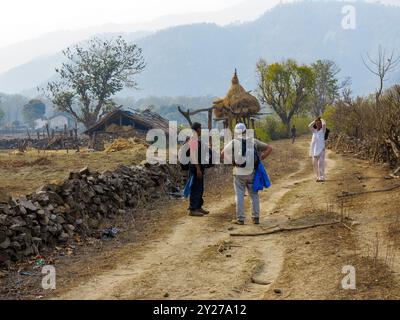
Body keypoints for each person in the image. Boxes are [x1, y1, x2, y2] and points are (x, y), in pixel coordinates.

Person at [221, 123, 273, 225]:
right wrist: (260, 159)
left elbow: (223, 153)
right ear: (245, 131)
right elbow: (270, 148)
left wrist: (232, 162)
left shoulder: (234, 142)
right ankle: (256, 217)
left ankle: (240, 219)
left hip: (238, 173)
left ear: (236, 132)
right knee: (254, 195)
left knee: (239, 195)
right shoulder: (253, 141)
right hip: (252, 172)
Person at [187, 122, 209, 217]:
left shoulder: (196, 139)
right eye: (200, 128)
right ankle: (192, 209)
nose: (201, 130)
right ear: (197, 129)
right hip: (195, 167)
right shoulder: (193, 140)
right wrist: (198, 168)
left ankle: (198, 206)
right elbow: (193, 155)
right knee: (195, 188)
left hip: (199, 166)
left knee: (200, 188)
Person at [308, 117, 326, 182]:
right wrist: (315, 120)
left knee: (320, 164)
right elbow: (309, 126)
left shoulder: (323, 131)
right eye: (317, 123)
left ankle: (322, 177)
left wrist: (321, 119)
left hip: (321, 149)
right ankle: (317, 177)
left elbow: (324, 124)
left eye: (319, 123)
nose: (318, 124)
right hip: (315, 150)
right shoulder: (314, 131)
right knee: (315, 164)